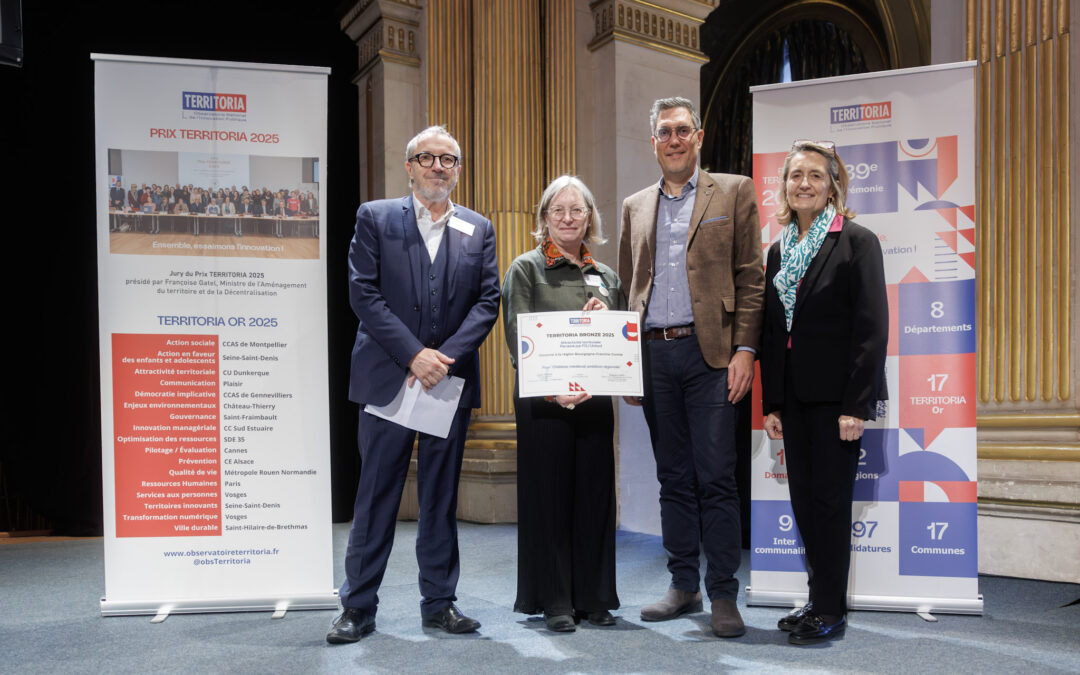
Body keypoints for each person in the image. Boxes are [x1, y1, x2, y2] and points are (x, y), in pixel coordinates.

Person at [327, 125, 500, 644]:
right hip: (388, 379)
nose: (438, 167)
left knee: (440, 499)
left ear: (458, 170)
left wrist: (441, 360)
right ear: (409, 166)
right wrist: (413, 355)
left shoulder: (479, 227)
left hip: (447, 383)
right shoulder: (376, 217)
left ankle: (440, 603)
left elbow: (487, 301)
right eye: (427, 158)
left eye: (449, 160)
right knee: (376, 497)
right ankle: (357, 607)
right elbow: (363, 294)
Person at [618, 96, 764, 638]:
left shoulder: (733, 190)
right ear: (653, 141)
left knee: (717, 476)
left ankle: (724, 592)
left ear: (699, 137)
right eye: (664, 132)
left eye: (683, 130)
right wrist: (625, 364)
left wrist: (745, 350)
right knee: (672, 476)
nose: (674, 139)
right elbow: (628, 287)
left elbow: (751, 276)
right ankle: (684, 584)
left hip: (713, 358)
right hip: (654, 353)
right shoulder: (634, 205)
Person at [761, 140, 888, 645]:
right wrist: (772, 401)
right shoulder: (778, 248)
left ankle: (831, 609)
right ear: (785, 186)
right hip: (793, 397)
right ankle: (818, 599)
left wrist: (857, 405)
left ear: (833, 185)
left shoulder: (857, 241)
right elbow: (773, 330)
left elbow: (871, 328)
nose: (805, 184)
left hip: (838, 401)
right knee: (805, 503)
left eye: (816, 175)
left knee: (831, 503)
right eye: (796, 176)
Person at [501, 175, 623, 633]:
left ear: (589, 217)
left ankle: (593, 597)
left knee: (594, 495)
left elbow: (620, 341)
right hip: (544, 401)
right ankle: (554, 599)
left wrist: (608, 319)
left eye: (577, 210)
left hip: (593, 400)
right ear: (544, 219)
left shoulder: (608, 277)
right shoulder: (526, 269)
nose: (569, 218)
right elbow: (518, 336)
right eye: (559, 211)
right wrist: (553, 389)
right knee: (549, 496)